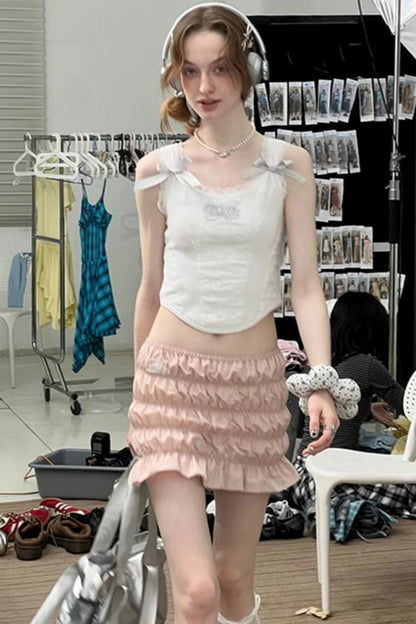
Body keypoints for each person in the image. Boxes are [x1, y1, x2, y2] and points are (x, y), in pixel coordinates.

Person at [127, 5, 342, 624]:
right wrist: (140, 394)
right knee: (195, 592)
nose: (204, 86)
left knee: (232, 579)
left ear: (247, 72)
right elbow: (150, 289)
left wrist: (320, 381)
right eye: (190, 71)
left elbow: (307, 286)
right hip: (171, 384)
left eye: (219, 69)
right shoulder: (157, 172)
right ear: (176, 75)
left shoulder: (288, 165)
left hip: (252, 388)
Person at [288, 292, 416, 522]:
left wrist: (370, 405)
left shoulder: (326, 365)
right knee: (407, 487)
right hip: (334, 475)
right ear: (373, 330)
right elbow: (409, 405)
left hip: (302, 473)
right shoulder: (368, 365)